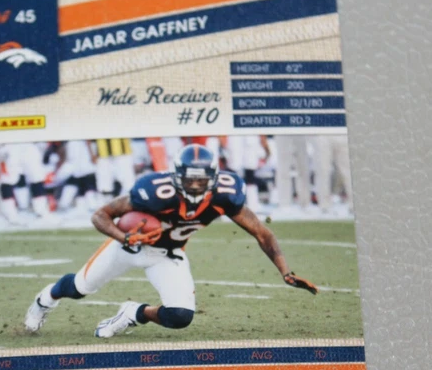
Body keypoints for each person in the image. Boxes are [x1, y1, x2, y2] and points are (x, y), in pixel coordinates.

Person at [24, 143, 319, 338]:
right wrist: (124, 236)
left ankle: (133, 313)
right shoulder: (154, 191)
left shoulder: (225, 196)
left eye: (201, 180)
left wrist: (285, 271)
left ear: (214, 179)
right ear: (176, 176)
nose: (195, 185)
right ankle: (44, 301)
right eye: (189, 179)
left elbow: (262, 233)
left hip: (167, 254)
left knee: (180, 316)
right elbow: (100, 215)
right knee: (79, 288)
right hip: (129, 247)